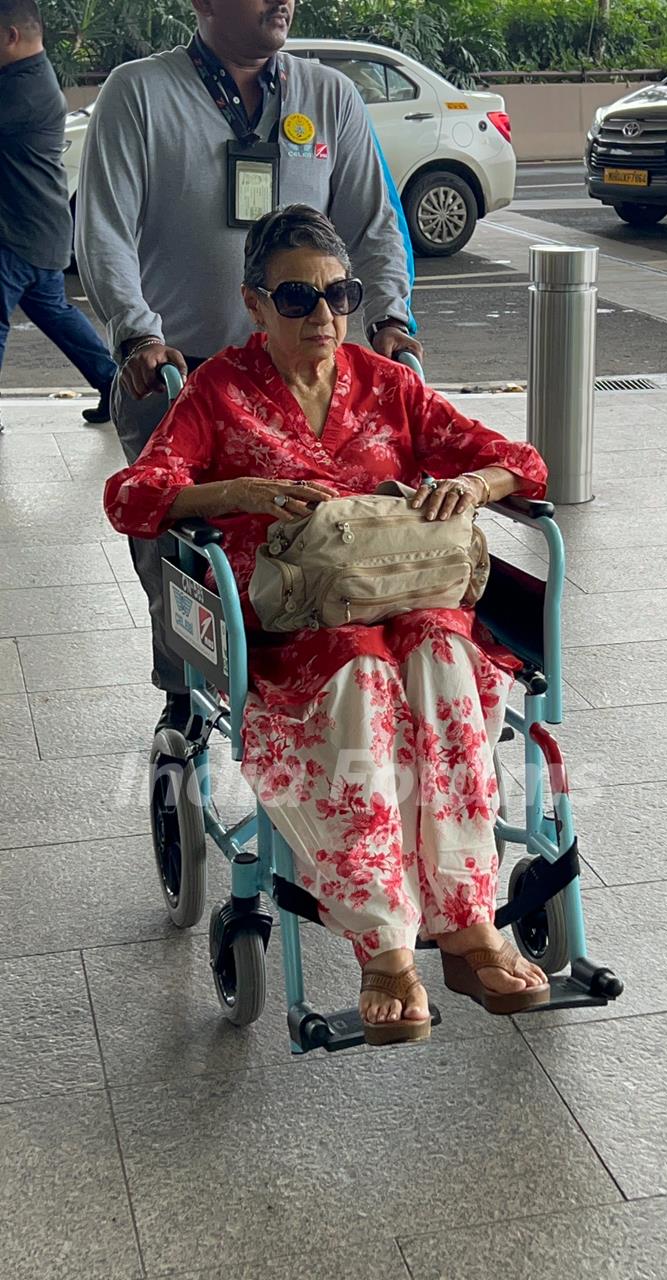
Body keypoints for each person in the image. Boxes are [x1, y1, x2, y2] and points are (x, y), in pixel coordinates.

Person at [104, 206, 550, 1045]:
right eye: (298, 298)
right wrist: (235, 493)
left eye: (339, 295)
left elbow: (523, 462)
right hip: (293, 626)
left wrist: (475, 487)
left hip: (406, 601)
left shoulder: (387, 384)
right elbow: (132, 497)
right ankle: (386, 946)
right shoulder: (219, 392)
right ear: (255, 304)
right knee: (363, 680)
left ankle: (466, 922)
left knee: (445, 658)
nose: (325, 316)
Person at [76, 0, 421, 733]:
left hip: (306, 379)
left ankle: (317, 680)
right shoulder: (139, 93)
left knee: (318, 528)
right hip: (180, 377)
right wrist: (137, 336)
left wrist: (391, 317)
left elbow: (374, 221)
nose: (281, 1)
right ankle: (185, 693)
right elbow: (102, 228)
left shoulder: (329, 96)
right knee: (180, 550)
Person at [0, 0, 116, 428]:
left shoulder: (23, 89)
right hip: (38, 226)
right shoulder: (22, 76)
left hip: (19, 232)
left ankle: (114, 384)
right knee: (54, 311)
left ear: (11, 36)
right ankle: (113, 384)